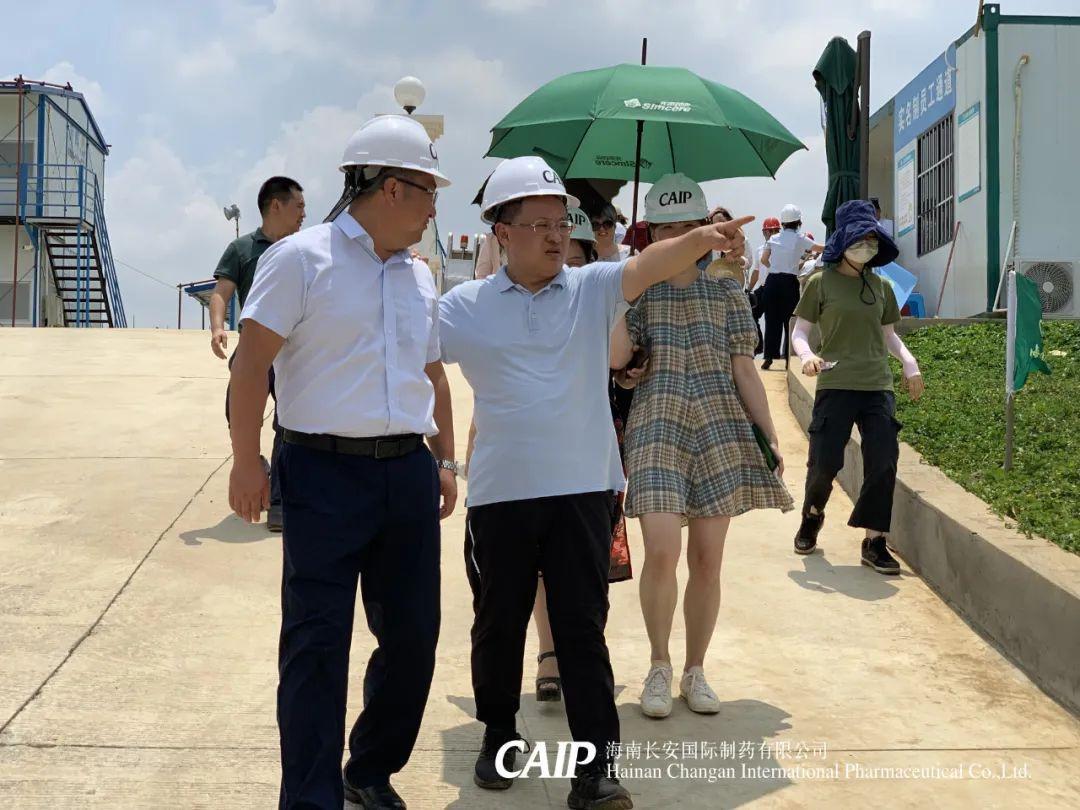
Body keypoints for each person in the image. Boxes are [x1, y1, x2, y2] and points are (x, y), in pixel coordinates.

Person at [439, 156, 750, 809]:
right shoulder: (463, 308)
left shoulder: (592, 287)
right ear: (502, 232)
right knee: (498, 624)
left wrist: (703, 237)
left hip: (582, 491)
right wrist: (436, 452)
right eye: (540, 225)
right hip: (501, 493)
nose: (557, 236)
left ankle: (596, 772)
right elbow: (405, 358)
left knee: (582, 627)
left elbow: (651, 262)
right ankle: (499, 734)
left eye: (562, 224)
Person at [227, 114, 457, 810]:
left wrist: (444, 459)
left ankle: (369, 768)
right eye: (428, 192)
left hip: (407, 474)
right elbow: (251, 365)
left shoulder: (420, 277)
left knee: (413, 639)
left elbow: (432, 375)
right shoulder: (301, 259)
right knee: (316, 646)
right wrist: (245, 462)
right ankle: (310, 798)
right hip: (320, 473)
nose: (434, 208)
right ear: (391, 188)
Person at [608, 174, 793, 720]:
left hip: (718, 427)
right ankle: (659, 665)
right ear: (651, 234)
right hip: (656, 426)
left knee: (708, 559)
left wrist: (769, 433)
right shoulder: (636, 289)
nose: (680, 237)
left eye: (690, 226)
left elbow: (745, 369)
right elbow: (618, 361)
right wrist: (621, 312)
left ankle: (695, 669)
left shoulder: (728, 291)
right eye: (667, 229)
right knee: (662, 551)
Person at [790, 199, 924, 575]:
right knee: (824, 463)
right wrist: (807, 355)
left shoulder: (881, 286)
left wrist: (909, 363)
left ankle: (874, 540)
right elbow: (800, 331)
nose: (867, 246)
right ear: (843, 241)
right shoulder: (820, 283)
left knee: (883, 462)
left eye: (871, 240)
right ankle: (812, 516)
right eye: (860, 239)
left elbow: (889, 335)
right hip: (836, 383)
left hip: (877, 385)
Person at [210, 176, 306, 532]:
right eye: (299, 206)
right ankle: (254, 463)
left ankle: (278, 501)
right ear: (276, 205)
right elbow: (221, 292)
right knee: (236, 412)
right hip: (255, 347)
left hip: (294, 351)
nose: (304, 214)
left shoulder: (304, 250)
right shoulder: (242, 249)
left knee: (287, 423)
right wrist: (217, 327)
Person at [759, 204, 824, 370]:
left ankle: (769, 357)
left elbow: (764, 260)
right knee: (790, 321)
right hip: (789, 282)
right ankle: (788, 358)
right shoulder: (800, 238)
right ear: (798, 222)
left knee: (771, 320)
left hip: (772, 282)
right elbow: (819, 248)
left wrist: (775, 267)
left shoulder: (773, 238)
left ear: (782, 223)